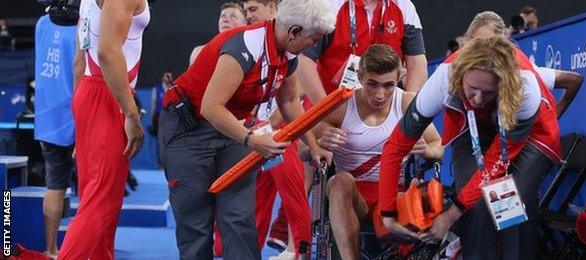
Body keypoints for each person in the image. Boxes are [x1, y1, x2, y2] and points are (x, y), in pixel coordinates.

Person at [158, 0, 335, 258]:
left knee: (239, 217)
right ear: (294, 32)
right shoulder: (244, 46)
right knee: (196, 222)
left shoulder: (290, 53)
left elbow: (288, 102)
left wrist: (313, 144)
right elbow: (211, 107)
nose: (314, 45)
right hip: (189, 130)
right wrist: (251, 140)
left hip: (234, 128)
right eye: (314, 38)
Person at [379, 36, 561, 259]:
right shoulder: (443, 79)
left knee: (514, 201)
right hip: (473, 127)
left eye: (488, 92)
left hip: (532, 132)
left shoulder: (525, 90)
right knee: (472, 203)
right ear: (460, 75)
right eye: (473, 88)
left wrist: (450, 215)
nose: (478, 98)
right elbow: (396, 146)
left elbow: (497, 163)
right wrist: (387, 213)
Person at [316, 44, 443, 259]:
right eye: (372, 84)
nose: (380, 94)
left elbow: (438, 145)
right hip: (354, 198)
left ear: (400, 78)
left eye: (388, 85)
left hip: (394, 195)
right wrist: (320, 142)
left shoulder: (406, 103)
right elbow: (304, 150)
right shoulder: (341, 105)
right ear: (360, 76)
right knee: (339, 181)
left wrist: (428, 151)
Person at [58, 0, 149, 258]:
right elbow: (107, 53)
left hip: (88, 91)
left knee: (100, 199)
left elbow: (79, 61)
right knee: (101, 201)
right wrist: (131, 113)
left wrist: (82, 128)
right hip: (108, 94)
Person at [299, 0, 428, 105]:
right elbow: (304, 59)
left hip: (383, 108)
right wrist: (323, 107)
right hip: (335, 104)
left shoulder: (404, 6)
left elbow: (417, 61)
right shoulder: (329, 5)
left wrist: (409, 108)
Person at [466, 11, 583, 118]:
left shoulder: (523, 74)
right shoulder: (459, 71)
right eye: (475, 43)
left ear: (501, 43)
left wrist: (554, 117)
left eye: (488, 42)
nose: (480, 50)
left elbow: (574, 80)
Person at [33, 1, 79, 257]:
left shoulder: (41, 24)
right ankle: (83, 248)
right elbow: (80, 71)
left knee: (55, 186)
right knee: (91, 189)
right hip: (77, 117)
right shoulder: (81, 29)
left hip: (47, 117)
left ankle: (50, 250)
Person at [188, 2, 248, 66]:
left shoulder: (251, 52)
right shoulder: (199, 51)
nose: (225, 20)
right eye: (223, 16)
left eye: (233, 16)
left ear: (245, 24)